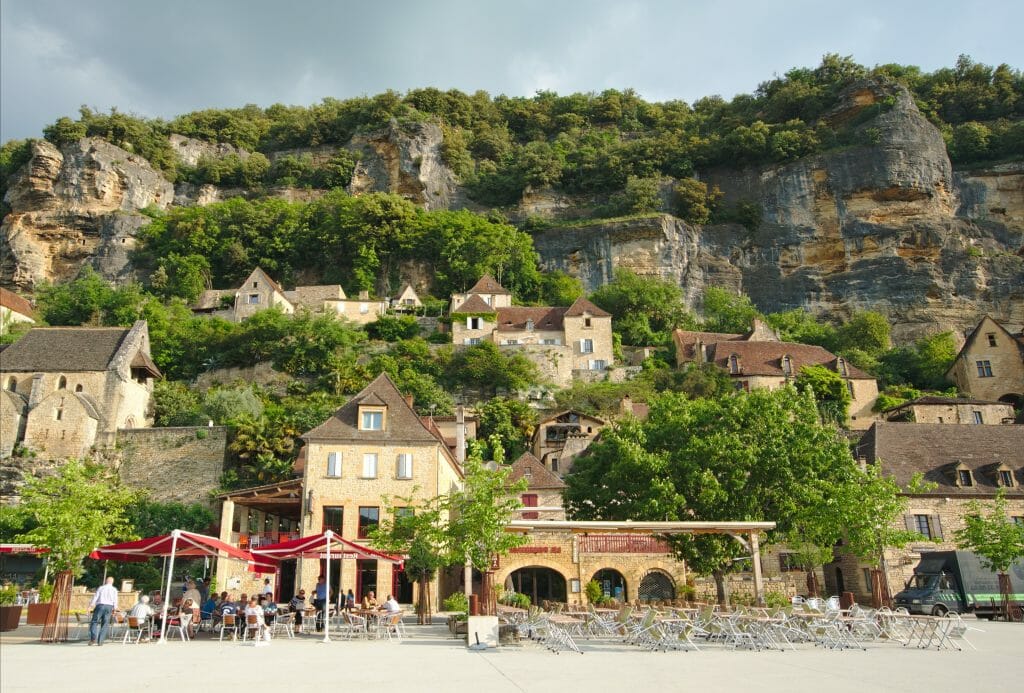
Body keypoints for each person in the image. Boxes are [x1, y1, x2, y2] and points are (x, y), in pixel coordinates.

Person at [88, 576, 118, 646]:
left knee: (94, 621)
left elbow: (95, 597)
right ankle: (100, 641)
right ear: (112, 582)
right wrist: (115, 609)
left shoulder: (101, 588)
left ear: (106, 581)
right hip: (109, 606)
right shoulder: (114, 589)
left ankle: (93, 638)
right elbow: (115, 600)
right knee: (105, 623)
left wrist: (90, 606)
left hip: (100, 605)